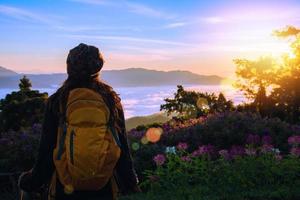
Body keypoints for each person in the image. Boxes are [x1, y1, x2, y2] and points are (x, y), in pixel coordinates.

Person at [19, 43, 140, 200]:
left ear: (69, 67)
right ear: (98, 68)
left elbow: (47, 152)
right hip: (104, 189)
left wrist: (29, 182)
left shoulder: (58, 101)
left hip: (66, 190)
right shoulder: (111, 101)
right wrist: (132, 185)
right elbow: (122, 150)